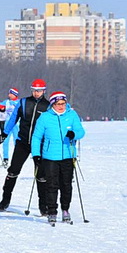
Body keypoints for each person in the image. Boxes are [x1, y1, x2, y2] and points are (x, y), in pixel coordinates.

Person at [0, 79, 50, 213]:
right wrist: (4, 134)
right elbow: (13, 118)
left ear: (44, 91)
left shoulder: (48, 106)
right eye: (35, 90)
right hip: (22, 142)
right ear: (32, 90)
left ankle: (44, 206)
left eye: (39, 91)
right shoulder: (24, 102)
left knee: (41, 175)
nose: (37, 93)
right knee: (13, 171)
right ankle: (4, 201)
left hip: (40, 145)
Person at [31, 91, 85, 224]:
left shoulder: (71, 114)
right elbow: (36, 137)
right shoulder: (45, 117)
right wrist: (36, 155)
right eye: (58, 104)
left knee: (66, 185)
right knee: (51, 185)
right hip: (50, 157)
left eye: (63, 103)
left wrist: (74, 134)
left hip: (68, 155)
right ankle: (52, 211)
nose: (61, 106)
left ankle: (65, 209)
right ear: (52, 104)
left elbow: (81, 131)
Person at [0, 88, 19, 166]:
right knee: (5, 141)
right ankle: (5, 159)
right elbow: (0, 106)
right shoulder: (7, 102)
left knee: (17, 141)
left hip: (16, 124)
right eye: (9, 94)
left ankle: (17, 159)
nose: (9, 95)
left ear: (14, 94)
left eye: (10, 94)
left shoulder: (19, 102)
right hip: (8, 123)